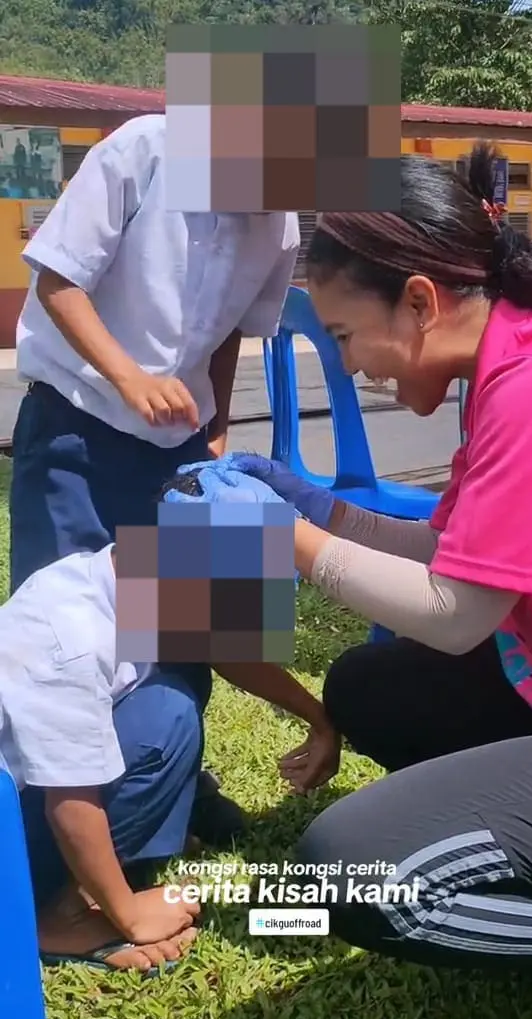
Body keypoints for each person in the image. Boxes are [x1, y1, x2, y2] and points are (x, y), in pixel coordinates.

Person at [212, 143, 532, 967]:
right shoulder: (512, 362)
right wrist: (317, 508)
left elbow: (457, 615)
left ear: (419, 301)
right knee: (366, 685)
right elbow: (454, 553)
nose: (348, 365)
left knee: (347, 874)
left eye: (345, 336)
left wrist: (289, 540)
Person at [10, 113, 299, 843]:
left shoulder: (280, 225)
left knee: (193, 625)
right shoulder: (142, 149)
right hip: (78, 424)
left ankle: (176, 780)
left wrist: (216, 431)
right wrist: (129, 377)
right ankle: (52, 810)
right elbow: (58, 280)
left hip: (181, 442)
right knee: (70, 635)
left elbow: (232, 333)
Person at [0, 469, 340, 973]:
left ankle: (128, 853)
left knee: (175, 682)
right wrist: (129, 915)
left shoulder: (121, 574)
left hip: (28, 796)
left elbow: (219, 645)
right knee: (166, 716)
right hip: (10, 830)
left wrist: (319, 719)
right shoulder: (72, 640)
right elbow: (69, 805)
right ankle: (59, 914)